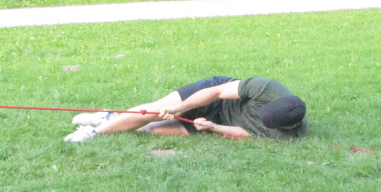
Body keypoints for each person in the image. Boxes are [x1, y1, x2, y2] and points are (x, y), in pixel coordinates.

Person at [64, 76, 309, 143]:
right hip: (214, 97)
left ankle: (110, 118)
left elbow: (246, 133)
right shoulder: (266, 88)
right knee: (155, 111)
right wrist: (179, 108)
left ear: (289, 126)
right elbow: (217, 92)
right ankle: (94, 132)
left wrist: (213, 127)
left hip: (218, 119)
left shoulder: (288, 136)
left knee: (150, 130)